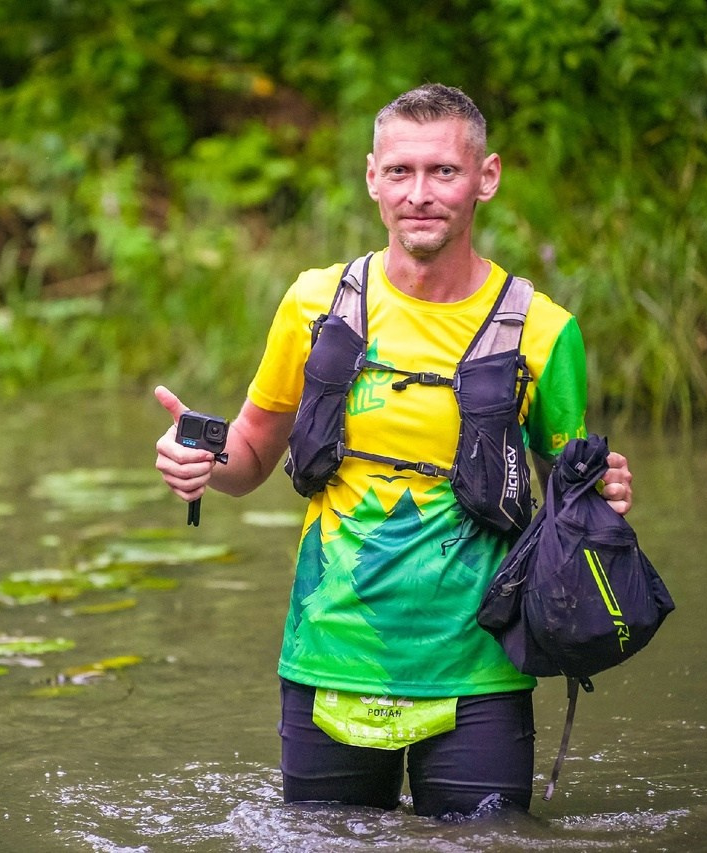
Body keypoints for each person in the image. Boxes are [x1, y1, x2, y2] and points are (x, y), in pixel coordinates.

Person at [153, 83, 633, 819]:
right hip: (329, 648)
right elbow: (249, 450)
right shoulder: (315, 304)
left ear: (487, 177)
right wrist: (201, 461)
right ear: (372, 176)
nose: (421, 194)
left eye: (443, 171)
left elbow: (572, 506)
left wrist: (599, 504)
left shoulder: (545, 333)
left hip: (480, 667)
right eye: (401, 171)